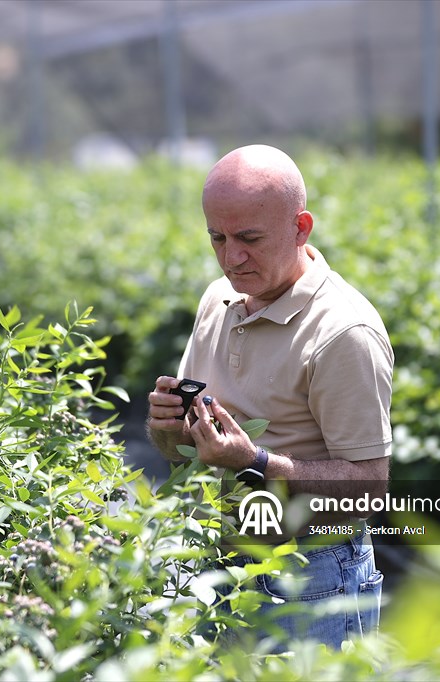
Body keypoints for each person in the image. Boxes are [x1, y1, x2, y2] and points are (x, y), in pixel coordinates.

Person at [146, 144, 393, 650]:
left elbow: (370, 487)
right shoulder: (219, 299)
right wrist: (168, 429)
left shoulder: (344, 332)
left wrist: (254, 462)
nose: (231, 257)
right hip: (218, 563)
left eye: (249, 238)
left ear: (301, 228)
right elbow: (183, 455)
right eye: (217, 237)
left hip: (310, 576)